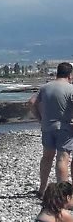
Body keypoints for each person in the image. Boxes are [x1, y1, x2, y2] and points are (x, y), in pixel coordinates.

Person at [29, 62, 73, 197]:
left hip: (47, 127)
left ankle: (42, 189)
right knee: (62, 159)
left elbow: (31, 102)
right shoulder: (70, 89)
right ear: (70, 75)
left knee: (47, 157)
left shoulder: (45, 87)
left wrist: (40, 119)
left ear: (57, 73)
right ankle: (62, 194)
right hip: (64, 128)